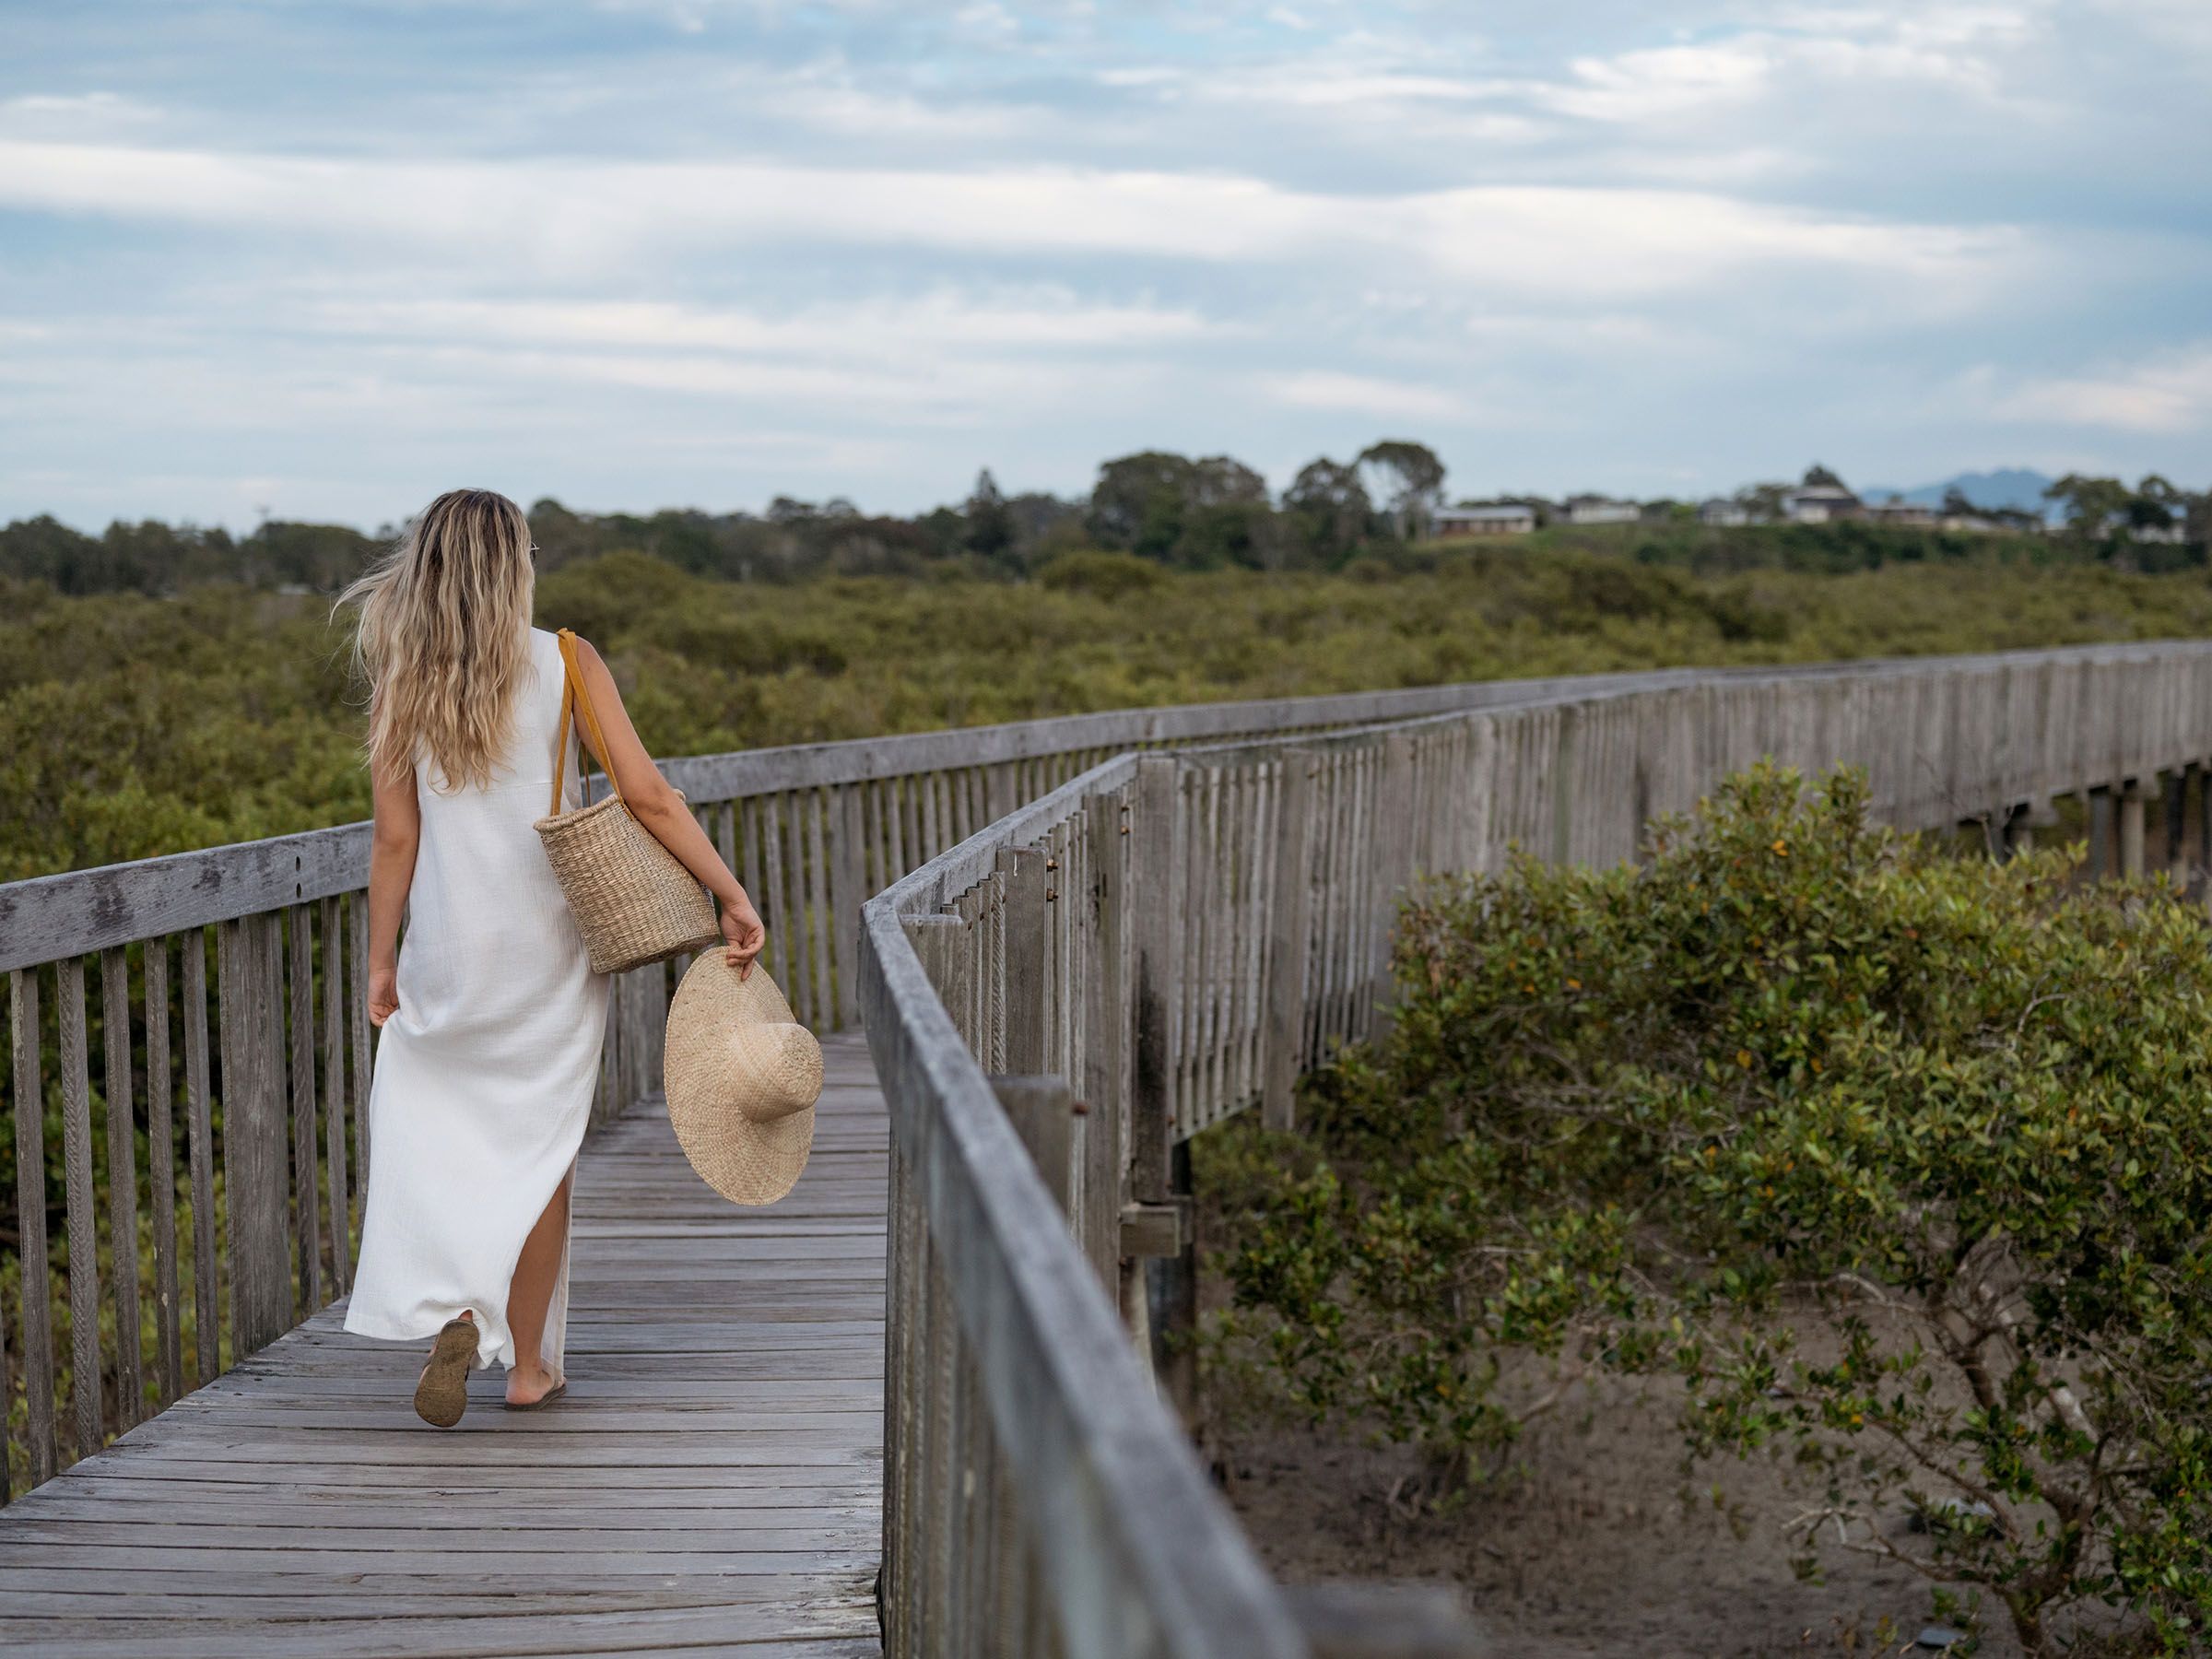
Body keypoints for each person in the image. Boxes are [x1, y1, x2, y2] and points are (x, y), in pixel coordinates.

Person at [334, 488, 765, 1426]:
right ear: (516, 564)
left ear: (429, 564)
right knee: (541, 1154)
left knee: (441, 1139)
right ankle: (527, 1366)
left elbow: (394, 841)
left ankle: (458, 1304)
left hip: (447, 954)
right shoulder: (566, 661)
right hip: (549, 953)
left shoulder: (405, 677)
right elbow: (646, 795)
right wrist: (726, 892)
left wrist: (380, 962)